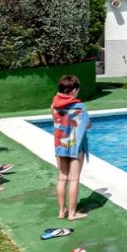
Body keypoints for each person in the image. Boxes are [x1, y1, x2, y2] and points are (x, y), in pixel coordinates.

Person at [52, 75, 91, 220]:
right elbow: (87, 124)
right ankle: (73, 213)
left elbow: (56, 122)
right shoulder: (80, 108)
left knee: (62, 179)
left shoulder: (54, 105)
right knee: (74, 179)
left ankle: (62, 211)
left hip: (60, 146)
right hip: (76, 148)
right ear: (74, 91)